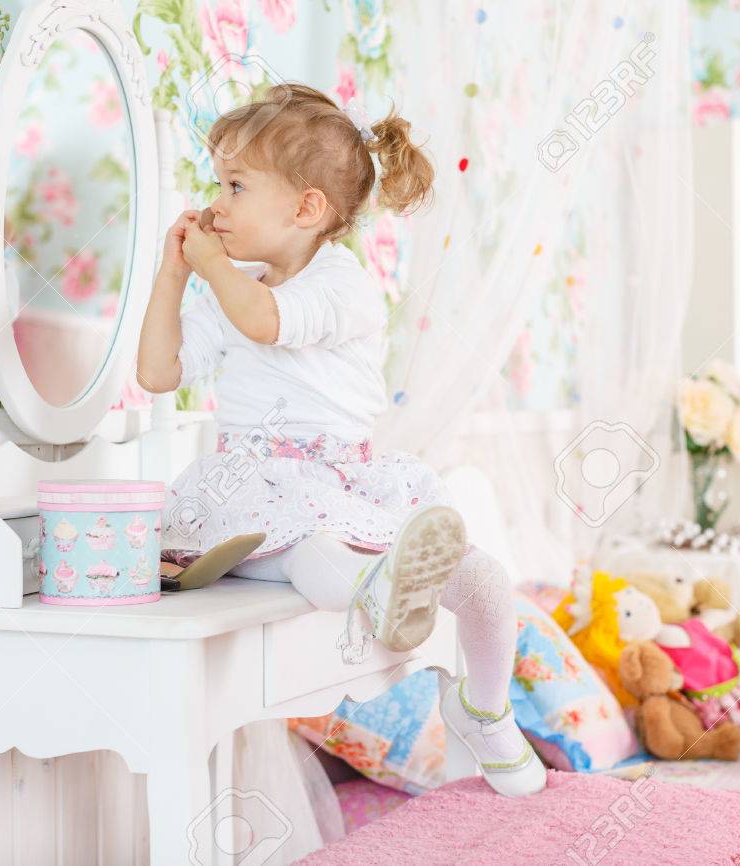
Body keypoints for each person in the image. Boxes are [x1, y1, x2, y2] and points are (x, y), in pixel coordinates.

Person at [135, 83, 544, 796]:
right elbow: (157, 371)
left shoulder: (339, 283)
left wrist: (211, 268)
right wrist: (173, 277)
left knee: (484, 577)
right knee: (317, 550)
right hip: (255, 497)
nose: (217, 203)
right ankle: (374, 587)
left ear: (306, 207)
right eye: (218, 184)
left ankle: (485, 705)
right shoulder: (228, 289)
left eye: (235, 185)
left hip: (342, 481)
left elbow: (266, 320)